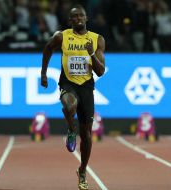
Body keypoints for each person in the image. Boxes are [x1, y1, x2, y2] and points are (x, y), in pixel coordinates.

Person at [41, 4, 105, 190]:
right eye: (74, 17)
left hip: (86, 87)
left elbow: (100, 71)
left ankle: (82, 170)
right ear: (70, 21)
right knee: (69, 106)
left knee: (87, 135)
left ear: (86, 19)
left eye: (81, 16)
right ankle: (71, 130)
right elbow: (47, 49)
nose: (78, 19)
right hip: (68, 83)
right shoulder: (62, 36)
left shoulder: (97, 39)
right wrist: (43, 73)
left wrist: (91, 53)